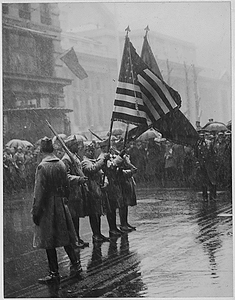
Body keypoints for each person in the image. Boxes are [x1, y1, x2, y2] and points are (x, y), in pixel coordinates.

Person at [31, 137, 82, 284]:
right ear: (52, 149)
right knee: (65, 236)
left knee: (49, 240)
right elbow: (66, 185)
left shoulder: (42, 167)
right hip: (61, 203)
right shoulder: (60, 163)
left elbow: (39, 192)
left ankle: (54, 273)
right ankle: (76, 264)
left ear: (41, 150)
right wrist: (64, 198)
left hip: (47, 206)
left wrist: (36, 211)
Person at [62, 135, 89, 248]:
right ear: (69, 146)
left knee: (76, 216)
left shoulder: (74, 157)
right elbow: (66, 176)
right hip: (71, 192)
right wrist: (78, 179)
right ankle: (73, 240)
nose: (77, 147)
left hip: (77, 191)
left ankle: (77, 237)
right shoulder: (66, 159)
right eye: (74, 145)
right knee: (72, 217)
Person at [81, 142, 110, 243]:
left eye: (92, 150)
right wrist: (103, 160)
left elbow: (102, 173)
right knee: (93, 213)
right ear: (85, 152)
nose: (91, 152)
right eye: (89, 151)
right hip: (91, 189)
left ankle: (98, 233)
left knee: (98, 212)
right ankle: (95, 234)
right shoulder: (85, 162)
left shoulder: (95, 160)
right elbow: (92, 169)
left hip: (97, 189)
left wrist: (105, 182)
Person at [195, 131, 217, 200]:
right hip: (202, 165)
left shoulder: (209, 143)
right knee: (203, 181)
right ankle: (205, 196)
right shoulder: (198, 144)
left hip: (209, 165)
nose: (201, 137)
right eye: (200, 135)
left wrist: (212, 162)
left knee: (212, 180)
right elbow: (196, 154)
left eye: (202, 135)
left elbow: (213, 154)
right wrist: (198, 162)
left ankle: (212, 196)